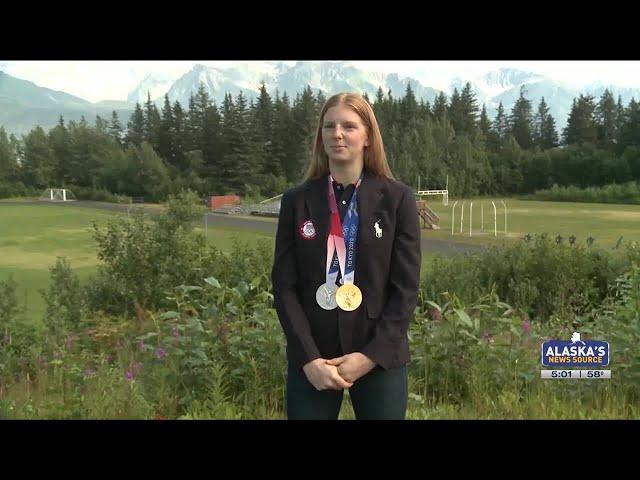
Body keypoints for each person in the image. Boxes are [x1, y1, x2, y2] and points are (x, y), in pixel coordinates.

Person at [271, 92, 421, 420]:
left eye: (349, 126)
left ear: (368, 136)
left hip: (379, 356)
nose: (337, 134)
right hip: (314, 359)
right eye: (329, 126)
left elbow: (405, 290)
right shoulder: (297, 202)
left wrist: (370, 356)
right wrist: (308, 358)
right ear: (320, 136)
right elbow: (284, 286)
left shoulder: (397, 200)